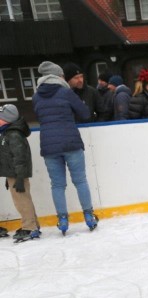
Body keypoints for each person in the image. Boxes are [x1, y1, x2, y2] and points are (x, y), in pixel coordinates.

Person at [32, 61, 99, 235]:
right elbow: (84, 113)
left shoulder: (36, 96)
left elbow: (39, 114)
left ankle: (62, 219)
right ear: (58, 76)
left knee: (57, 185)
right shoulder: (65, 92)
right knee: (80, 181)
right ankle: (89, 216)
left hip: (48, 145)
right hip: (70, 142)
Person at [0, 104, 41, 242]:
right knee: (23, 200)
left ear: (7, 119)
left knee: (22, 201)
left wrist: (19, 177)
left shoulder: (14, 134)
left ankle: (29, 227)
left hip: (18, 174)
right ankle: (33, 224)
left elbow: (20, 158)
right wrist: (9, 175)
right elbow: (9, 157)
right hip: (14, 173)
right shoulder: (8, 132)